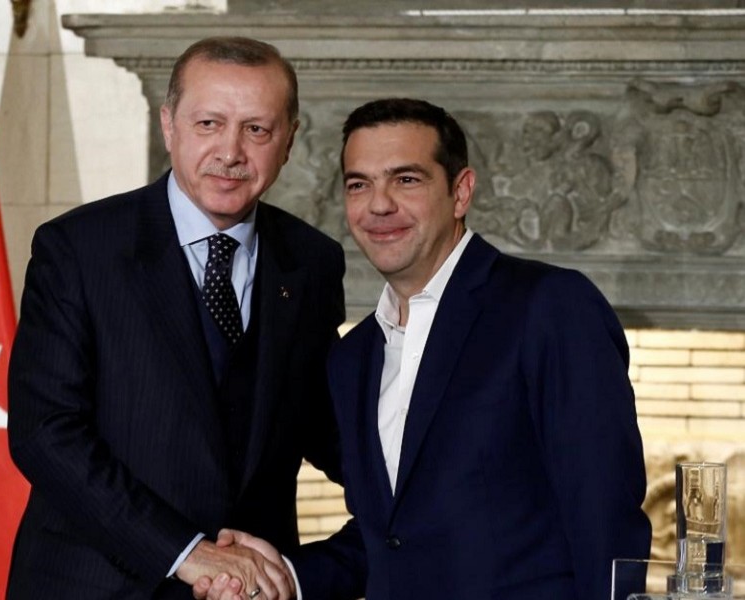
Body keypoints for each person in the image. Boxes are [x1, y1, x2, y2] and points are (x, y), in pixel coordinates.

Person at [198, 98, 652, 600]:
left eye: (406, 180)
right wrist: (284, 574)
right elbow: (392, 539)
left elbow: (605, 521)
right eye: (359, 184)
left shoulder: (548, 308)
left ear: (461, 192)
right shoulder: (354, 357)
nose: (379, 204)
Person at [5, 36, 345, 600]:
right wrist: (186, 552)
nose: (231, 152)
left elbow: (325, 426)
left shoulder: (312, 261)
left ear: (288, 140)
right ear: (169, 126)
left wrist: (423, 507)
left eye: (256, 129)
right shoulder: (78, 250)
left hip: (251, 593)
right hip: (94, 587)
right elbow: (45, 434)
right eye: (208, 123)